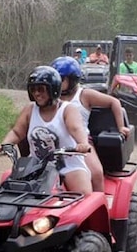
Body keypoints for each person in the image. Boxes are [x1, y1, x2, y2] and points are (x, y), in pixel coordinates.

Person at [0, 66, 92, 194]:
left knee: (84, 196)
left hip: (68, 165)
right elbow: (17, 132)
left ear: (54, 89)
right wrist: (6, 143)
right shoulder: (30, 109)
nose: (36, 93)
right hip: (35, 166)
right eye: (33, 89)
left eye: (41, 89)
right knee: (7, 192)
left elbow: (76, 128)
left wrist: (82, 143)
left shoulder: (67, 109)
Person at [51, 56, 131, 192]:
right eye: (55, 78)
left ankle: (100, 207)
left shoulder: (84, 95)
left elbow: (114, 102)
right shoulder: (51, 96)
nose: (57, 82)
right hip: (54, 141)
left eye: (61, 79)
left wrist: (121, 126)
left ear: (72, 79)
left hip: (80, 142)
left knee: (96, 173)